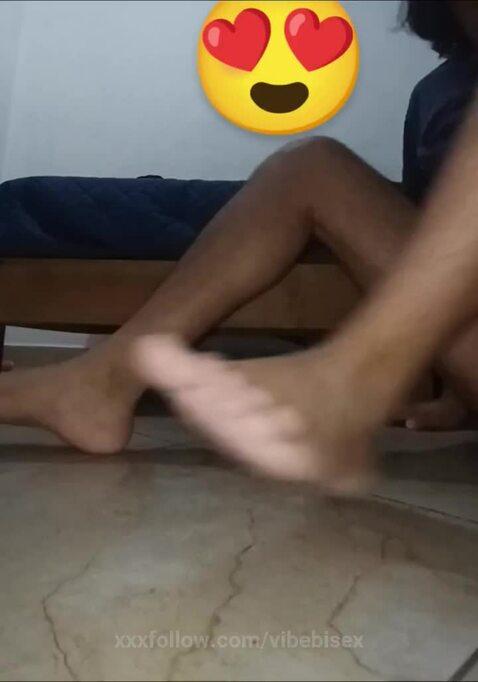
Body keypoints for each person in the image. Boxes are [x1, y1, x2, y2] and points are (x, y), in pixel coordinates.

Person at [0, 0, 476, 461]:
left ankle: (101, 384)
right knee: (310, 166)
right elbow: (432, 230)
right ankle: (101, 382)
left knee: (314, 169)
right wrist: (456, 394)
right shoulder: (437, 90)